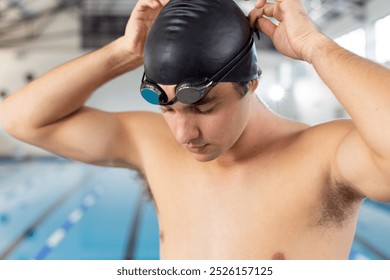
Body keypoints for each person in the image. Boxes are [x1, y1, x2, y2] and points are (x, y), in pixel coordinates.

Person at [0, 0, 389, 260]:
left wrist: (314, 46)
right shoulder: (151, 144)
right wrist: (125, 51)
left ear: (251, 83)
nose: (184, 134)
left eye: (203, 107)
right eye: (167, 108)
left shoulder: (324, 157)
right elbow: (21, 119)